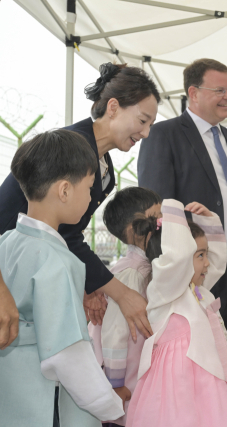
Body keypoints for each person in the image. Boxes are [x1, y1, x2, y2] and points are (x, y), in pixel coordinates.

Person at [0, 63, 160, 346]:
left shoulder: (104, 169)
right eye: (143, 120)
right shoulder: (67, 149)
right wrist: (120, 293)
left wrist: (91, 284)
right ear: (113, 107)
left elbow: (68, 233)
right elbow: (67, 236)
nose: (146, 133)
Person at [138, 58, 227, 359]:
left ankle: (224, 409)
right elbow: (157, 209)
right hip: (194, 270)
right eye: (220, 90)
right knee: (198, 356)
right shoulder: (164, 135)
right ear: (193, 93)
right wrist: (179, 266)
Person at [0, 130, 124, 426]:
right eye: (90, 187)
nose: (92, 197)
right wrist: (109, 406)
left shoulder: (6, 242)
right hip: (44, 401)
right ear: (65, 190)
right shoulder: (58, 260)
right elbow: (66, 353)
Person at [126, 200, 227, 427]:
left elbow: (217, 262)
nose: (207, 263)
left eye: (205, 254)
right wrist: (171, 208)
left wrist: (209, 220)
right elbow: (177, 259)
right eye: (200, 255)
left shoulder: (200, 292)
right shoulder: (164, 292)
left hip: (210, 384)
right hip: (176, 388)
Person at [87, 186, 162, 426]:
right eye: (156, 218)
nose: (162, 224)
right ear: (135, 230)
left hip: (135, 367)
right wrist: (115, 385)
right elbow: (114, 335)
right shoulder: (131, 274)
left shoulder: (148, 266)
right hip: (124, 376)